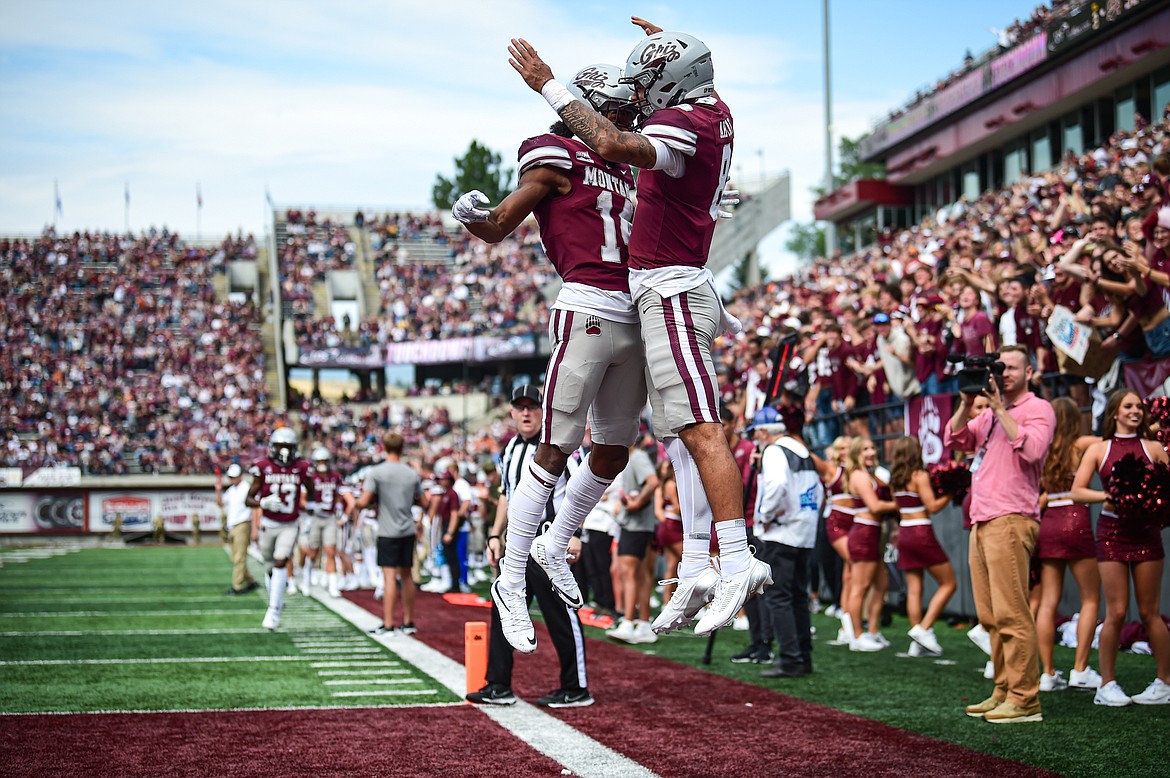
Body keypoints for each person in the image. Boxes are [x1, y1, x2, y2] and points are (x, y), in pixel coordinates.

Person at [508, 18, 770, 639]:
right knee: (677, 437)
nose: (636, 97)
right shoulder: (713, 108)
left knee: (698, 429)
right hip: (648, 292)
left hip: (668, 288)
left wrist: (549, 85)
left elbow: (618, 143)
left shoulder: (679, 126)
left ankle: (731, 559)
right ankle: (700, 561)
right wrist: (668, 49)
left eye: (649, 82)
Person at [451, 64, 647, 653]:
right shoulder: (556, 153)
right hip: (586, 303)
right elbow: (499, 227)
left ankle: (556, 540)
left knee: (614, 447)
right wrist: (475, 218)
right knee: (555, 446)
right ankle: (511, 578)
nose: (627, 121)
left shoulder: (625, 165)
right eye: (618, 110)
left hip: (632, 311)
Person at [946, 344, 1056, 724]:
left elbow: (1034, 451)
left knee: (1012, 613)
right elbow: (956, 439)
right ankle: (1004, 691)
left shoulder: (1038, 408)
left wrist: (995, 407)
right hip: (984, 519)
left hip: (1011, 517)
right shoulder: (994, 412)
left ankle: (1026, 699)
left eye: (1012, 368)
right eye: (999, 367)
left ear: (1030, 373)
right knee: (991, 617)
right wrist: (965, 401)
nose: (1004, 373)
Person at [468, 385, 592, 708]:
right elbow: (506, 497)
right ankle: (498, 683)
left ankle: (575, 686)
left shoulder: (560, 446)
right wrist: (496, 535)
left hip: (550, 542)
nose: (526, 413)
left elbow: (579, 493)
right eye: (520, 407)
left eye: (532, 407)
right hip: (517, 545)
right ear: (510, 411)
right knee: (503, 610)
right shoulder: (509, 450)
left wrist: (575, 532)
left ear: (543, 410)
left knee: (561, 614)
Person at [1071, 388, 1170, 706]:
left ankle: (1165, 682)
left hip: (1146, 532)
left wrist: (1155, 505)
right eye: (1128, 406)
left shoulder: (1154, 447)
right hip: (1113, 531)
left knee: (1149, 612)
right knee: (1115, 611)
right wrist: (1107, 497)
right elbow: (1078, 491)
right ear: (1114, 412)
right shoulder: (1099, 448)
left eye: (1139, 407)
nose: (1135, 411)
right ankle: (1107, 684)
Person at [749, 407, 823, 679]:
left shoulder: (774, 451)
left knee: (779, 597)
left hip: (782, 531)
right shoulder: (802, 450)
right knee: (798, 597)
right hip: (804, 529)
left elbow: (778, 485)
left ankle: (791, 659)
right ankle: (802, 656)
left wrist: (764, 516)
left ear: (763, 432)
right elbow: (819, 489)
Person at [1035, 397, 1102, 692]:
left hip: (1049, 523)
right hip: (1075, 521)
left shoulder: (1043, 449)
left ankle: (1048, 673)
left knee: (1048, 601)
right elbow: (1116, 442)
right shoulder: (1082, 443)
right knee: (1090, 598)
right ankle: (1080, 668)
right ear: (1076, 419)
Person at [887, 437, 955, 656]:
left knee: (914, 589)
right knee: (949, 583)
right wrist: (952, 492)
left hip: (905, 532)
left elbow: (898, 508)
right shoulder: (919, 475)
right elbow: (933, 506)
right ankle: (924, 629)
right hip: (921, 530)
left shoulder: (894, 479)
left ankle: (917, 643)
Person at [354, 432, 425, 635]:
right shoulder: (411, 473)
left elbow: (364, 501)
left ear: (384, 447)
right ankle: (409, 622)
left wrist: (355, 501)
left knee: (389, 578)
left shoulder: (377, 472)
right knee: (407, 576)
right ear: (402, 448)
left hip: (387, 530)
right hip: (407, 529)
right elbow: (424, 501)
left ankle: (388, 623)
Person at [246, 427, 315, 631]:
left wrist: (309, 511)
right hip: (268, 523)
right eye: (280, 447)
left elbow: (312, 492)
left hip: (290, 524)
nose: (284, 452)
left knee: (280, 561)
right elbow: (248, 499)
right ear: (272, 448)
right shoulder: (263, 467)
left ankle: (274, 609)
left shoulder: (302, 467)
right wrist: (263, 503)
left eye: (288, 447)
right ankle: (275, 600)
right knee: (269, 566)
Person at [842, 437, 897, 652]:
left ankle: (873, 631)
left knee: (881, 585)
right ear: (856, 453)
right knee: (860, 587)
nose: (871, 452)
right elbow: (874, 506)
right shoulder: (858, 475)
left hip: (872, 534)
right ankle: (856, 635)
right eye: (865, 449)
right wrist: (904, 503)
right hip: (864, 533)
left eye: (873, 448)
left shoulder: (870, 474)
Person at [608, 442, 660, 644]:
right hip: (639, 525)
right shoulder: (632, 458)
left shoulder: (636, 457)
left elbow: (653, 482)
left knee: (628, 573)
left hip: (635, 525)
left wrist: (637, 503)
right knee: (642, 574)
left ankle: (629, 622)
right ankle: (644, 624)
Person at [300, 447, 347, 598]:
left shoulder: (336, 476)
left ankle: (333, 585)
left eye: (324, 461)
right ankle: (306, 580)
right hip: (314, 517)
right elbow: (302, 499)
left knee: (330, 551)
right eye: (319, 461)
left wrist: (339, 508)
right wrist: (312, 506)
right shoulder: (311, 477)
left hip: (330, 517)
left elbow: (340, 496)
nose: (322, 464)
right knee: (313, 552)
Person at [218, 463, 258, 596]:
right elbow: (221, 503)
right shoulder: (231, 490)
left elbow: (255, 508)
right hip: (232, 526)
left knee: (239, 558)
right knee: (234, 557)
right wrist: (217, 490)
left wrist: (255, 528)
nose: (232, 479)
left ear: (240, 476)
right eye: (230, 477)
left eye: (234, 477)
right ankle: (251, 581)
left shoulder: (246, 488)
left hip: (243, 524)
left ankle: (237, 587)